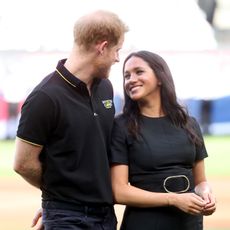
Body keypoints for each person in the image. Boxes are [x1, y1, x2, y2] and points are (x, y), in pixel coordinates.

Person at [13, 10, 128, 230]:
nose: (117, 58)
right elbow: (23, 163)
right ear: (102, 47)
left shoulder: (105, 87)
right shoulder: (44, 98)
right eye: (117, 50)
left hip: (105, 216)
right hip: (67, 219)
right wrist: (58, 199)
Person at [109, 50, 216, 230]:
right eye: (126, 76)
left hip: (189, 224)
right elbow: (118, 191)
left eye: (139, 72)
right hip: (145, 224)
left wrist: (205, 194)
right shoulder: (120, 126)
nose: (131, 79)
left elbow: (200, 182)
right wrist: (173, 199)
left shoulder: (189, 123)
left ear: (160, 77)